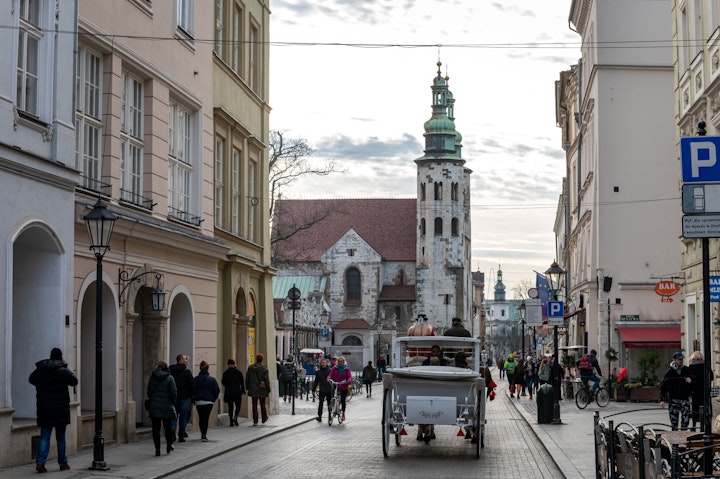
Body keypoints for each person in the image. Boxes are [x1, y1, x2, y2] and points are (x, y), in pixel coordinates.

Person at [28, 347, 78, 473]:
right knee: (60, 437)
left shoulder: (41, 370)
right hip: (60, 410)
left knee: (45, 436)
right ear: (60, 357)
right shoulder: (63, 371)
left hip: (45, 409)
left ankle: (40, 462)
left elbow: (31, 379)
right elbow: (74, 381)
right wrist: (66, 367)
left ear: (50, 356)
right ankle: (63, 463)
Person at [147, 360, 177, 456]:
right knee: (167, 427)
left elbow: (149, 391)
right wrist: (172, 402)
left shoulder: (153, 377)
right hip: (166, 406)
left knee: (156, 429)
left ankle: (157, 449)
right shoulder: (170, 377)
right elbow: (173, 392)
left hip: (155, 406)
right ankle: (169, 445)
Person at [660, 352, 695, 431]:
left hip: (684, 398)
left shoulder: (686, 369)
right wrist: (662, 399)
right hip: (674, 399)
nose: (681, 361)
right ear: (674, 360)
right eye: (679, 359)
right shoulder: (669, 372)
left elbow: (694, 381)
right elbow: (663, 386)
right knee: (674, 421)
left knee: (686, 419)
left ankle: (683, 434)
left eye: (682, 359)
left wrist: (691, 381)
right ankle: (675, 441)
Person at [193, 360, 220, 442]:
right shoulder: (212, 379)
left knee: (201, 417)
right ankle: (204, 434)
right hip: (209, 401)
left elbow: (193, 390)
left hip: (199, 401)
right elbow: (216, 390)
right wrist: (213, 398)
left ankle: (202, 433)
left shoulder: (196, 379)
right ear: (208, 369)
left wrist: (194, 399)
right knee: (205, 417)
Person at [169, 353, 194, 442]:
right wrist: (192, 396)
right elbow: (192, 385)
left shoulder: (171, 370)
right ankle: (181, 435)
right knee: (183, 417)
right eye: (185, 359)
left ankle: (172, 428)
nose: (187, 361)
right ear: (181, 360)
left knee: (174, 416)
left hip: (174, 397)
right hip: (185, 397)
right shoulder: (187, 372)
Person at [687, 351, 713, 431]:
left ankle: (694, 424)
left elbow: (689, 380)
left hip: (695, 391)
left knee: (695, 408)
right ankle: (705, 424)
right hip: (705, 391)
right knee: (706, 406)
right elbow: (711, 377)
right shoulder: (706, 366)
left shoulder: (691, 367)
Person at [246, 353, 270, 425]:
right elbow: (266, 380)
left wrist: (247, 387)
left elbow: (247, 378)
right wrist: (268, 388)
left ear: (256, 359)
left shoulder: (250, 368)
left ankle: (255, 420)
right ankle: (264, 418)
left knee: (254, 404)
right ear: (262, 360)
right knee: (262, 403)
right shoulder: (264, 368)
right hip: (262, 388)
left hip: (253, 388)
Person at [221, 358, 245, 427]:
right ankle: (236, 416)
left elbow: (223, 382)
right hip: (237, 391)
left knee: (230, 407)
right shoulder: (239, 372)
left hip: (229, 392)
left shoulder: (225, 373)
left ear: (228, 364)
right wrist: (243, 390)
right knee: (238, 406)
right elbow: (242, 382)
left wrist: (228, 386)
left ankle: (231, 421)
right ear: (234, 364)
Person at [328, 356, 352, 421]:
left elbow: (349, 376)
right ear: (337, 362)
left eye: (341, 361)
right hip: (336, 384)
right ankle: (333, 407)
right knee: (333, 396)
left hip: (343, 385)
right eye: (339, 361)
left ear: (344, 362)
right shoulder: (334, 368)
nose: (340, 363)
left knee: (343, 400)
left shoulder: (347, 369)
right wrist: (329, 378)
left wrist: (348, 380)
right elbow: (331, 375)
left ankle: (343, 413)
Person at [314, 357, 332, 421]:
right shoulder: (318, 372)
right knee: (320, 402)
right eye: (322, 363)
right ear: (321, 364)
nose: (323, 364)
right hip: (322, 389)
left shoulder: (330, 370)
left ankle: (330, 415)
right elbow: (316, 381)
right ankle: (319, 416)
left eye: (324, 362)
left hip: (329, 389)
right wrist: (313, 389)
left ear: (327, 363)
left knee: (329, 403)